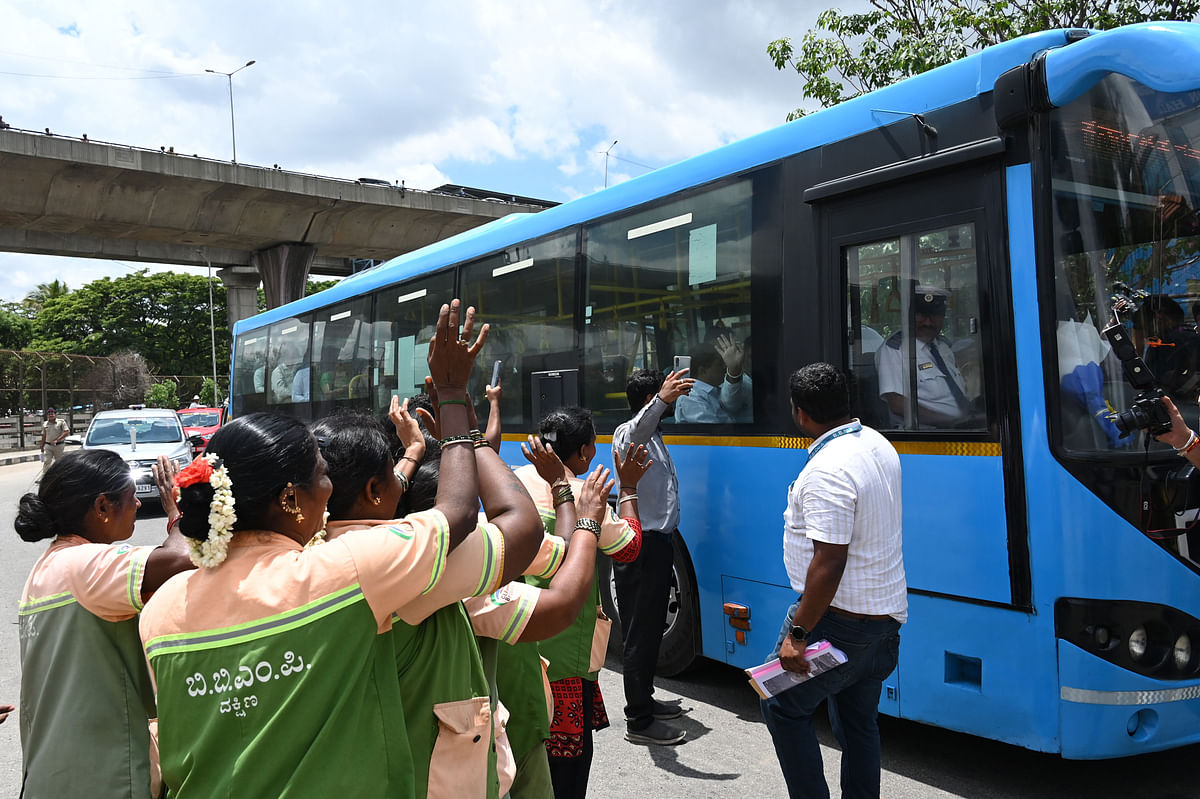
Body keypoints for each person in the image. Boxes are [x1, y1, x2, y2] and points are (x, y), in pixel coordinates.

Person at [139, 299, 489, 797]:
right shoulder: (342, 572)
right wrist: (453, 395)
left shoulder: (164, 609)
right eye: (322, 478)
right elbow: (457, 515)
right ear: (290, 499)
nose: (329, 490)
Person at [761, 362, 907, 799]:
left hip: (837, 624)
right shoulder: (878, 444)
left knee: (780, 705)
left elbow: (829, 561)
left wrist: (798, 634)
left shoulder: (826, 470)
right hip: (884, 622)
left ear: (801, 413)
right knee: (859, 723)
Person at [16, 448, 193, 798]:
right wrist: (175, 511)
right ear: (101, 507)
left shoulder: (47, 567)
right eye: (130, 498)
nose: (138, 506)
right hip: (101, 775)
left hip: (53, 771)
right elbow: (182, 557)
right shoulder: (84, 564)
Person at [610, 367, 695, 745]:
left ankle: (645, 699)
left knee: (650, 628)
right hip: (641, 544)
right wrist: (663, 400)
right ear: (651, 401)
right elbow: (636, 432)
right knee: (640, 632)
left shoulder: (655, 438)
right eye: (665, 398)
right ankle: (639, 720)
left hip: (659, 542)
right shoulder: (631, 433)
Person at [875, 285, 969, 428]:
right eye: (921, 316)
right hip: (926, 436)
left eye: (934, 316)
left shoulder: (943, 346)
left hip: (963, 430)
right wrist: (952, 422)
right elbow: (897, 404)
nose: (928, 322)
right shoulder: (895, 349)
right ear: (909, 316)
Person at [673, 333, 752, 423]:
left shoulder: (714, 391)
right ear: (702, 370)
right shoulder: (690, 397)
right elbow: (712, 432)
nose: (724, 368)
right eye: (719, 365)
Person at [38, 407, 70, 475]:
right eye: (49, 414)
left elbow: (66, 432)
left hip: (59, 445)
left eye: (52, 413)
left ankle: (60, 476)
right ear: (47, 415)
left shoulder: (61, 422)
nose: (51, 415)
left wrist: (57, 440)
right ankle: (45, 477)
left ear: (55, 414)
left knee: (58, 462)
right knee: (47, 461)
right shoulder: (45, 424)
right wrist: (42, 446)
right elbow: (44, 435)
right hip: (48, 446)